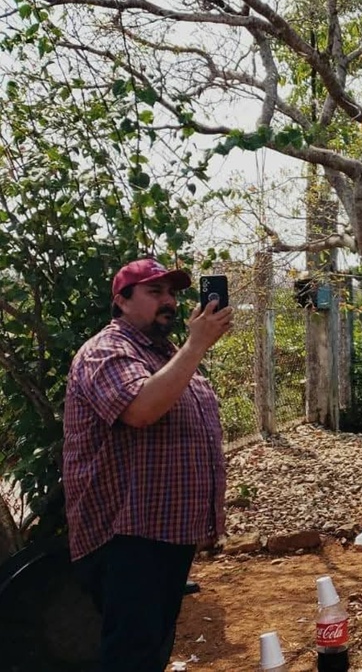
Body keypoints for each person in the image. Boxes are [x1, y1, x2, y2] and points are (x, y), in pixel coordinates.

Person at [63, 257, 233, 672]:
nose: (169, 301)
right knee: (132, 655)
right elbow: (141, 409)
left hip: (163, 532)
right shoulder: (106, 351)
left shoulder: (165, 354)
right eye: (155, 292)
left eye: (172, 292)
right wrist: (196, 346)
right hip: (125, 535)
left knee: (150, 650)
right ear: (121, 301)